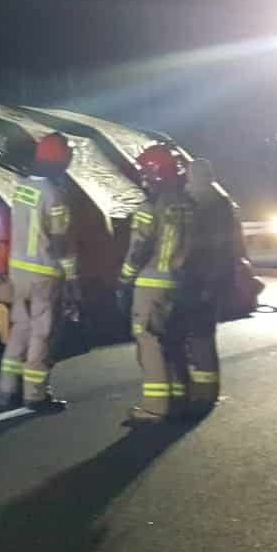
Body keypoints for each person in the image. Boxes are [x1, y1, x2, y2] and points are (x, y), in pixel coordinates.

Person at [119, 144, 198, 423]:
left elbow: (138, 249)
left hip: (152, 284)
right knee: (175, 342)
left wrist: (125, 279)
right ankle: (180, 399)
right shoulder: (190, 205)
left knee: (150, 343)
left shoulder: (150, 207)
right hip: (181, 284)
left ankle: (155, 407)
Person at [2, 132, 76, 415]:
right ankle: (35, 394)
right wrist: (72, 276)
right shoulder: (55, 195)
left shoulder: (21, 187)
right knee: (42, 333)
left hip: (18, 270)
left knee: (20, 327)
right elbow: (59, 242)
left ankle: (10, 387)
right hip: (44, 272)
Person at [180, 159, 238, 414]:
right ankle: (203, 389)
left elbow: (213, 244)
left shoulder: (206, 201)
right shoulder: (217, 199)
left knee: (200, 334)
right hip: (207, 275)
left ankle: (204, 393)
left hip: (202, 276)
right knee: (199, 333)